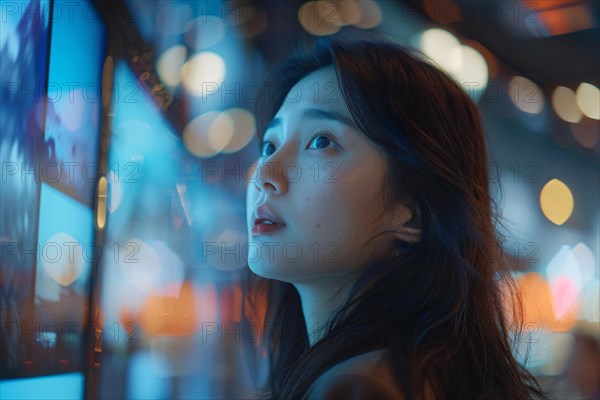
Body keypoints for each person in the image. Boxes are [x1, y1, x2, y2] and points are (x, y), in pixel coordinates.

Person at [242, 34, 547, 400]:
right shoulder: (435, 373)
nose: (264, 174)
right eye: (269, 145)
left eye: (321, 141)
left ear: (412, 215)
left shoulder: (360, 386)